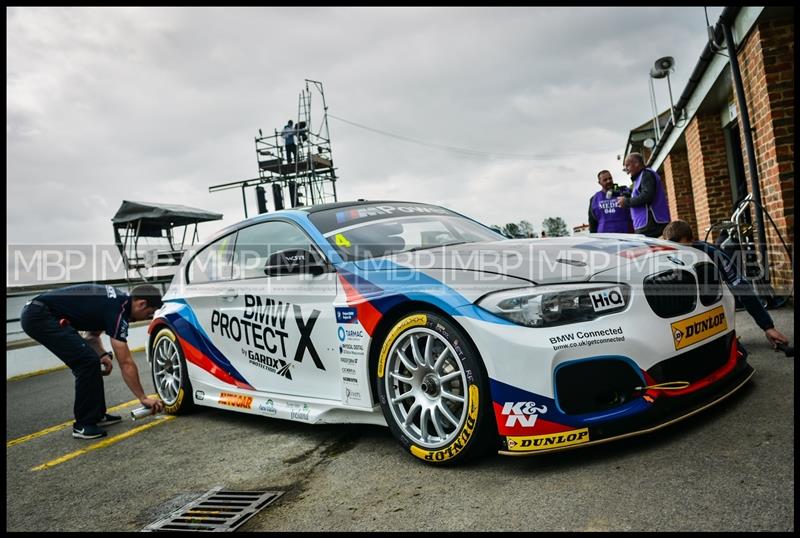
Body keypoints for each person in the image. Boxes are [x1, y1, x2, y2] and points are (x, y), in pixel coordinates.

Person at [20, 283, 165, 439]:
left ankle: (96, 416)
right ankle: (83, 425)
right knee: (86, 362)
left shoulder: (116, 302)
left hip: (38, 312)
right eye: (149, 314)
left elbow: (92, 336)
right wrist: (143, 398)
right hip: (40, 315)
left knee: (91, 360)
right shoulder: (119, 309)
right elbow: (126, 362)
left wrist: (103, 355)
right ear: (141, 303)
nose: (147, 318)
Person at [662, 220, 790, 350]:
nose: (678, 252)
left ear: (692, 240)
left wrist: (768, 327)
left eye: (682, 246)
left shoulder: (712, 254)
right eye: (673, 247)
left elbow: (742, 287)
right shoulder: (663, 255)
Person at [617, 152, 671, 237]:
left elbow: (647, 196)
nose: (626, 169)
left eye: (628, 165)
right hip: (645, 224)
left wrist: (626, 202)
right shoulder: (639, 178)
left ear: (637, 163)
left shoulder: (646, 174)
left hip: (652, 225)